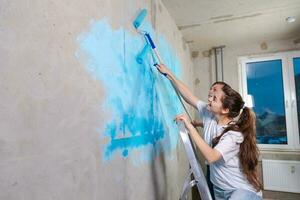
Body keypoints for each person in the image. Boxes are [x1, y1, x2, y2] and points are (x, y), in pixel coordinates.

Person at [156, 64, 262, 200]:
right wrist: (169, 73)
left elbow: (211, 156)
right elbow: (189, 96)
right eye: (211, 92)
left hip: (240, 190)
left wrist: (189, 126)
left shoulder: (234, 135)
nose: (210, 97)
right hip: (219, 185)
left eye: (215, 97)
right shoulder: (210, 113)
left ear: (225, 110)